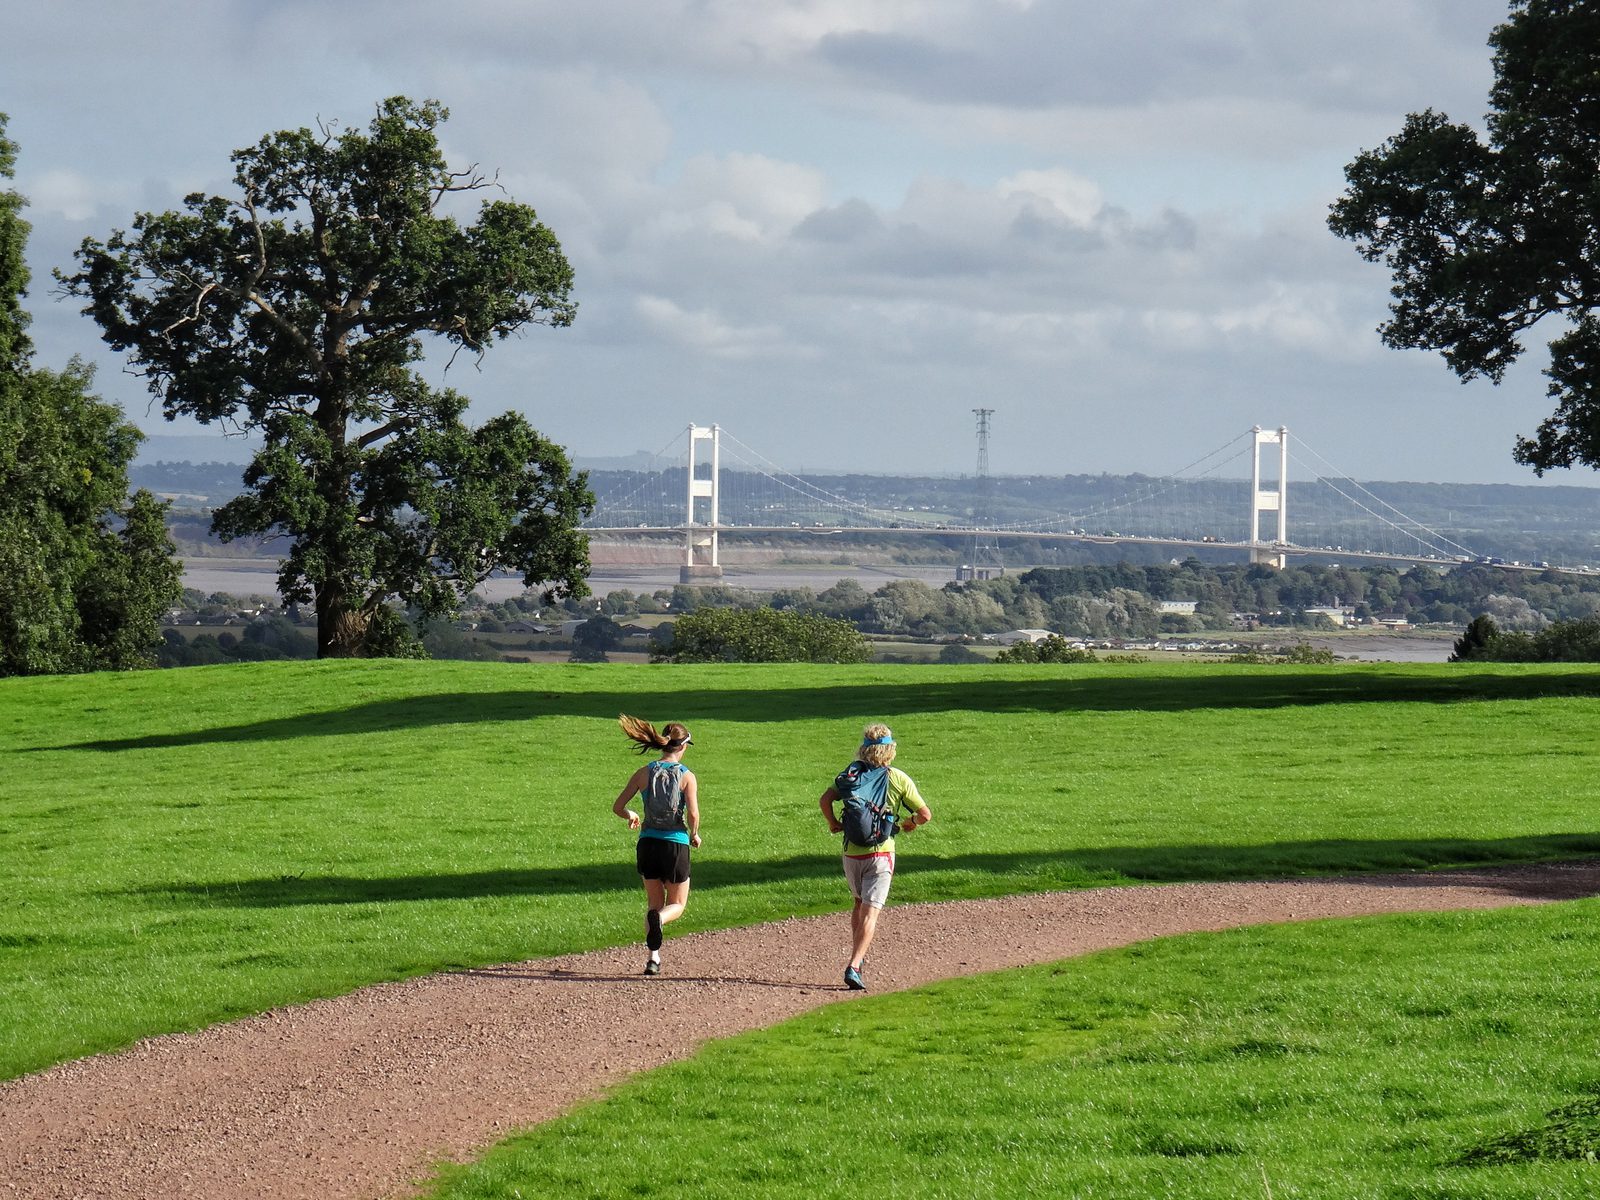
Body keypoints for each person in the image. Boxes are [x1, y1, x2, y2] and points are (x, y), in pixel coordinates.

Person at [818, 722, 931, 991]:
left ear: (864, 750)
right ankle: (855, 964)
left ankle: (857, 953)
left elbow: (825, 799)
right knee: (871, 912)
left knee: (858, 903)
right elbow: (925, 814)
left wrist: (833, 823)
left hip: (851, 853)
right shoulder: (898, 778)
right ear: (890, 750)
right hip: (881, 853)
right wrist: (911, 822)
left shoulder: (851, 774)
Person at [613, 714, 701, 976]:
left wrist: (632, 815)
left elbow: (618, 807)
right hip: (675, 845)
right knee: (677, 904)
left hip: (648, 844)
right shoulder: (687, 776)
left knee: (653, 902)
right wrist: (695, 834)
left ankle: (653, 958)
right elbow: (694, 814)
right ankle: (660, 921)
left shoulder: (643, 772)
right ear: (683, 746)